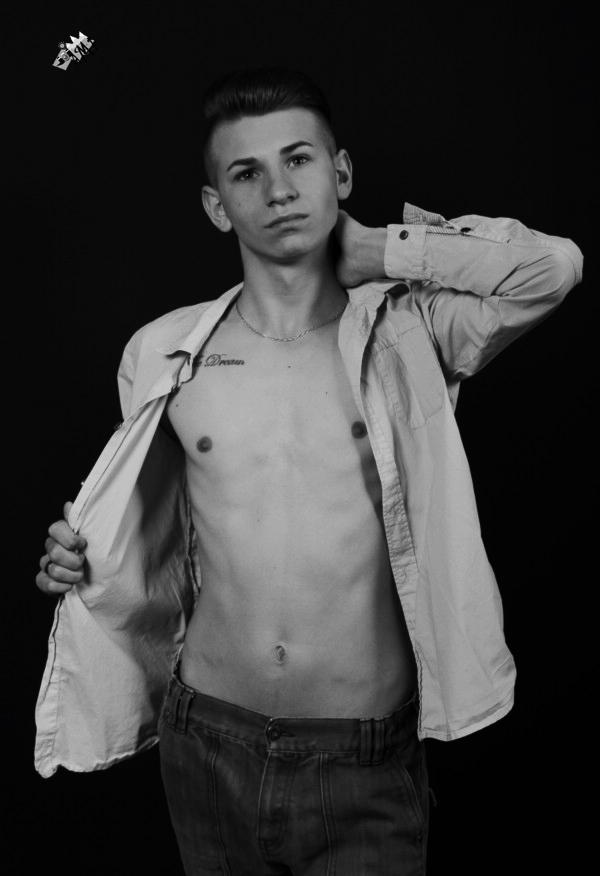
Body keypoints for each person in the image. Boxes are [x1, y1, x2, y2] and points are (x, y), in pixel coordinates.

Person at [34, 66, 583, 875]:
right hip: (207, 738)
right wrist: (81, 558)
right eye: (246, 173)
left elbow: (554, 268)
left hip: (360, 754)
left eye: (299, 159)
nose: (279, 190)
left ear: (341, 173)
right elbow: (153, 528)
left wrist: (379, 249)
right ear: (217, 205)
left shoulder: (414, 332)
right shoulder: (163, 351)